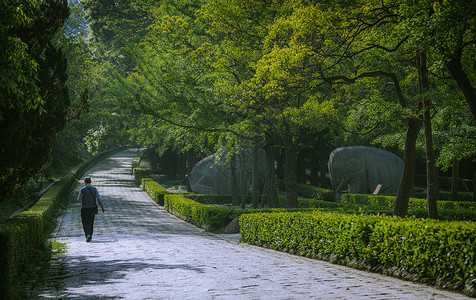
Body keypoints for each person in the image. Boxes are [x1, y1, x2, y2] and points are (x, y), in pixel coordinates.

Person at [77, 177, 105, 242]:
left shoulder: (82, 190)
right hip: (92, 208)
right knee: (91, 222)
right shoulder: (94, 189)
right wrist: (102, 207)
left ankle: (87, 234)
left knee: (85, 222)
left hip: (85, 208)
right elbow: (99, 199)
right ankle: (90, 235)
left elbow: (79, 200)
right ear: (90, 182)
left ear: (84, 182)